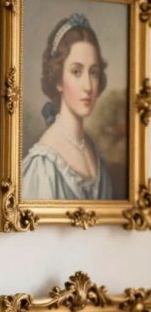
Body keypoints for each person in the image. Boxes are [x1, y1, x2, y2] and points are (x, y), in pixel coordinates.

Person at [22, 13, 112, 200]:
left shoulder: (93, 151)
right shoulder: (43, 165)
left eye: (94, 72)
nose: (88, 86)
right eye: (76, 71)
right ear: (58, 79)